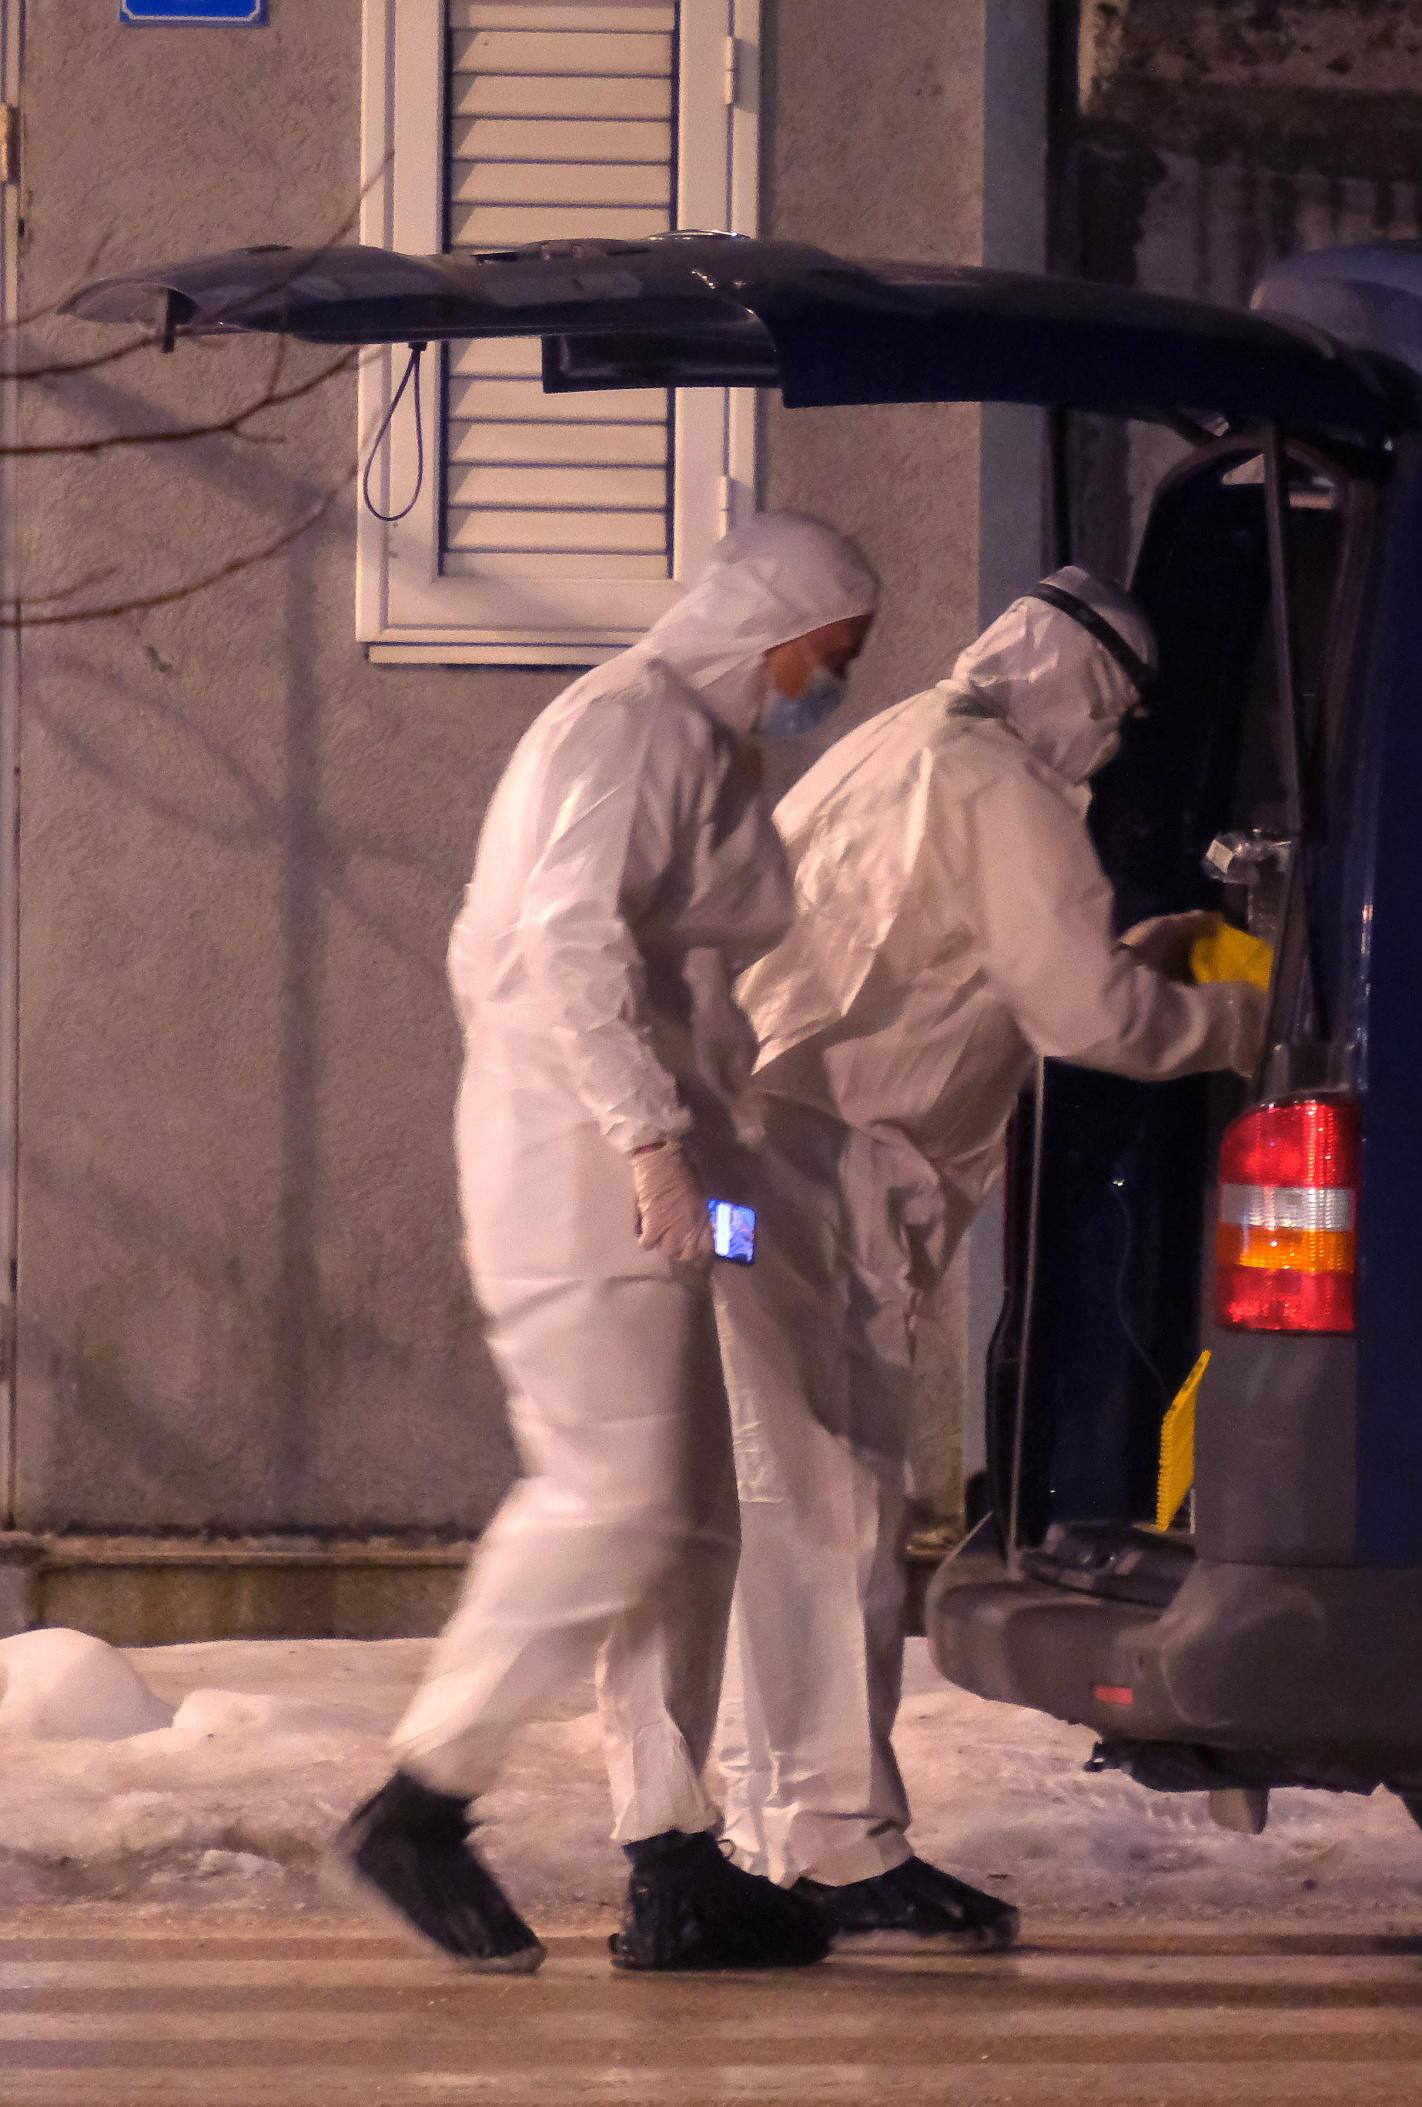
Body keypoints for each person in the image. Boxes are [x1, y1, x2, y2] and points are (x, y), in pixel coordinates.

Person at [335, 513, 881, 1975]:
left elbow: (677, 992)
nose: (827, 683)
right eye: (826, 656)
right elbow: (557, 943)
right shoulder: (628, 723)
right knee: (616, 1500)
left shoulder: (699, 744)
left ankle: (671, 1856)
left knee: (691, 1515)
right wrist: (644, 1136)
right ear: (764, 622)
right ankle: (421, 1802)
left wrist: (740, 1194)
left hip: (662, 1161)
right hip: (581, 1166)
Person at [693, 568, 1265, 1949]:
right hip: (827, 1173)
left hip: (751, 1163)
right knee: (831, 1517)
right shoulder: (1003, 786)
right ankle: (838, 1848)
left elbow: (961, 961)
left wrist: (1129, 952)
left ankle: (766, 1824)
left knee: (777, 1512)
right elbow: (1087, 1022)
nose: (1116, 743)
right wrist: (1227, 1023)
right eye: (1117, 712)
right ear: (1079, 684)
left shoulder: (899, 744)